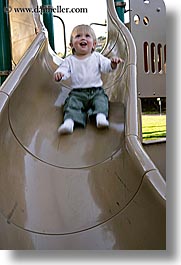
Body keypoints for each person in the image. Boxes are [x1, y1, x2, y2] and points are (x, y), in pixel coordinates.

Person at [54, 24, 123, 134]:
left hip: (96, 91)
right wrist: (59, 74)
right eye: (78, 36)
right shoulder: (70, 60)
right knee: (71, 105)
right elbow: (63, 70)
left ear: (94, 44)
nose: (83, 38)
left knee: (101, 101)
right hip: (77, 93)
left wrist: (113, 63)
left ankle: (100, 117)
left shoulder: (97, 57)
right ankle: (69, 122)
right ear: (71, 45)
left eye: (87, 36)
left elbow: (107, 67)